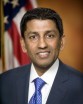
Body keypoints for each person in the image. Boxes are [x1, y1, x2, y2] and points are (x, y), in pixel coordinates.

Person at [0, 7, 83, 104]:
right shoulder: (4, 82)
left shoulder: (80, 85)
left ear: (61, 42)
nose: (42, 45)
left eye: (50, 36)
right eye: (33, 37)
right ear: (23, 44)